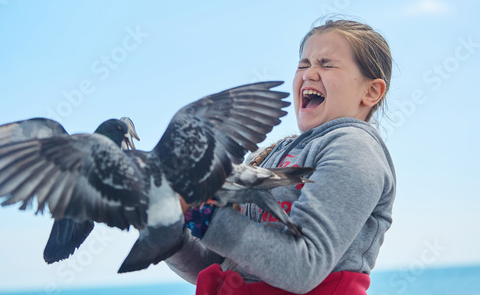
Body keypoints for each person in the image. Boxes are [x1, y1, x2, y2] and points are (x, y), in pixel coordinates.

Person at [166, 18, 396, 295]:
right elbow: (215, 262)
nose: (309, 73)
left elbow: (302, 268)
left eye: (326, 64)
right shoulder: (265, 157)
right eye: (303, 64)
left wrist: (198, 214)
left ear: (371, 91)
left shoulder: (353, 147)